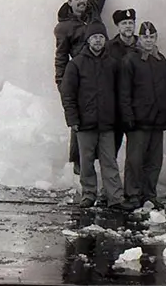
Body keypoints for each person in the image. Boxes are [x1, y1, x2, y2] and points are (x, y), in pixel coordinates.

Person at [54, 0, 118, 174]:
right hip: (81, 75)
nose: (82, 2)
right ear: (70, 4)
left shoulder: (93, 11)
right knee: (80, 123)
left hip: (104, 70)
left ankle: (106, 165)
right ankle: (79, 166)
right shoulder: (64, 28)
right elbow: (61, 57)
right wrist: (62, 84)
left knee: (106, 117)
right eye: (78, 0)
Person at [59, 21, 136, 212]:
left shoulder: (112, 64)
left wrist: (119, 118)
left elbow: (120, 92)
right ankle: (88, 194)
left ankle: (115, 197)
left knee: (109, 161)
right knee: (86, 161)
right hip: (85, 124)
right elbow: (68, 94)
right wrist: (73, 119)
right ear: (88, 40)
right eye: (94, 37)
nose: (98, 41)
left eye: (101, 37)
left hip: (108, 124)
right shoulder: (76, 64)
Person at [119, 21, 166, 210]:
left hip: (157, 121)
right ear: (139, 39)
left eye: (151, 37)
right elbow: (124, 91)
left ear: (156, 38)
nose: (148, 40)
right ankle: (133, 195)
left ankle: (149, 194)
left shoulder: (162, 61)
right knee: (135, 160)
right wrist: (127, 115)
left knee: (154, 162)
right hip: (138, 121)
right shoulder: (131, 60)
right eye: (145, 37)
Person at [106, 8, 138, 153]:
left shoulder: (142, 45)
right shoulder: (109, 48)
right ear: (118, 26)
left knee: (137, 150)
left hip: (137, 106)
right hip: (116, 106)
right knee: (112, 147)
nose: (128, 26)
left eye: (130, 22)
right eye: (124, 23)